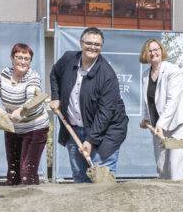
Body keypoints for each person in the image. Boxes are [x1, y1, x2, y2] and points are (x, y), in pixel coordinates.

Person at [49, 27, 128, 183]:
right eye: (89, 43)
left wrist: (91, 140)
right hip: (74, 129)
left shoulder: (107, 76)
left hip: (106, 132)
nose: (93, 47)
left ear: (101, 47)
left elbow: (105, 113)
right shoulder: (68, 59)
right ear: (81, 43)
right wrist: (56, 97)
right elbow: (54, 74)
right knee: (79, 176)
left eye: (97, 44)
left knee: (101, 179)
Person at [138, 38, 183, 180]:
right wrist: (147, 118)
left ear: (161, 51)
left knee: (174, 165)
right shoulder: (145, 75)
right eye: (150, 50)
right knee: (162, 167)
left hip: (182, 123)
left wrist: (160, 124)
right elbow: (149, 101)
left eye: (156, 49)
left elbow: (173, 101)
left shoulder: (172, 70)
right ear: (145, 54)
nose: (153, 53)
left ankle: (181, 200)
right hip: (161, 126)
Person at [0, 43, 48, 186]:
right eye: (19, 57)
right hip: (13, 127)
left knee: (27, 171)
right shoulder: (4, 74)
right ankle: (12, 205)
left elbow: (32, 100)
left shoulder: (33, 77)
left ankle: (34, 203)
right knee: (13, 171)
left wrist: (21, 110)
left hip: (35, 128)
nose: (22, 62)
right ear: (12, 58)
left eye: (26, 59)